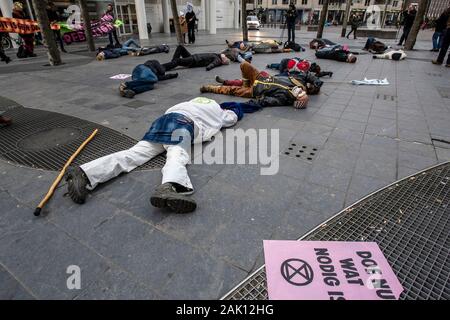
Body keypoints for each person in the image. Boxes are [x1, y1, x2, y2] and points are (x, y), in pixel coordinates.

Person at [65, 97, 240, 214]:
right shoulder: (217, 109)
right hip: (183, 124)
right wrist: (235, 112)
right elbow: (230, 118)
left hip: (162, 121)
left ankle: (85, 173)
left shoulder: (192, 102)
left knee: (134, 154)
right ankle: (170, 186)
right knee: (177, 154)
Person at [200, 62, 310, 109]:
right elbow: (306, 75)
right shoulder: (296, 82)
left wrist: (252, 102)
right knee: (244, 65)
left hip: (254, 91)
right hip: (260, 78)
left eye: (299, 94)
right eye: (301, 91)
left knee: (231, 90)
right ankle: (244, 84)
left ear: (296, 99)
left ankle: (210, 88)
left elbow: (266, 101)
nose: (299, 91)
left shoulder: (284, 98)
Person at [162, 45, 230, 71]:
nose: (225, 56)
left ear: (223, 61)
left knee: (177, 61)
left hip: (194, 61)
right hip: (193, 56)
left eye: (226, 58)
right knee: (180, 47)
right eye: (226, 57)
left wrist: (208, 67)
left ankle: (163, 67)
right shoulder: (217, 55)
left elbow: (212, 65)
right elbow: (224, 52)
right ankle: (172, 63)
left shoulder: (218, 60)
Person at [267, 58, 333, 78]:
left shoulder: (308, 63)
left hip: (289, 62)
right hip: (285, 63)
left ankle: (270, 65)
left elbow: (318, 74)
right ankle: (270, 65)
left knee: (279, 67)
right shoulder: (303, 68)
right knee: (281, 75)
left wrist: (327, 73)